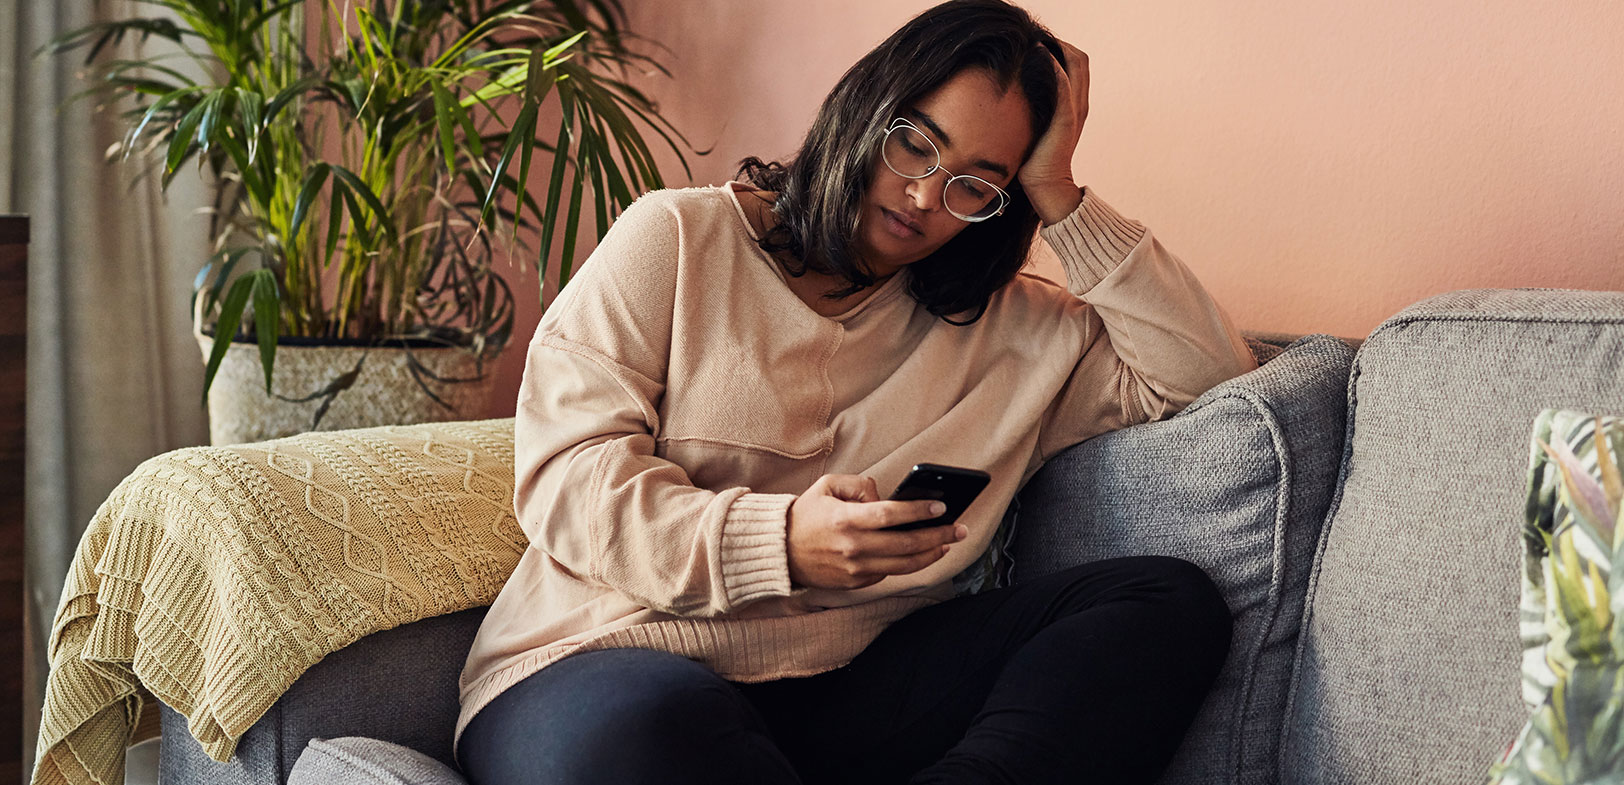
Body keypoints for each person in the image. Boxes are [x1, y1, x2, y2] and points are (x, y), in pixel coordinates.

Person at [456, 2, 1259, 783]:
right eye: (915, 145)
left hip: (857, 682)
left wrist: (1059, 192)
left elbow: (1211, 373)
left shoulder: (1016, 329)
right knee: (654, 733)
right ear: (868, 107)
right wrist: (780, 542)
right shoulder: (676, 240)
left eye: (975, 185)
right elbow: (567, 478)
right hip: (608, 661)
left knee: (1167, 602)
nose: (922, 197)